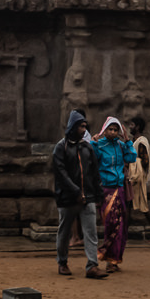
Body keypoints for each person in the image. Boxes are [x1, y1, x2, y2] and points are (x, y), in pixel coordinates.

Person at [51, 111, 104, 280]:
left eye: (84, 126)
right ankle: (62, 262)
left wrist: (98, 193)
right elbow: (61, 173)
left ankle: (92, 265)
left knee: (91, 231)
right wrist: (75, 191)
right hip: (68, 197)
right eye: (81, 126)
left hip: (87, 195)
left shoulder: (86, 147)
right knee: (65, 231)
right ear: (73, 127)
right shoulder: (61, 147)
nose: (84, 129)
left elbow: (94, 172)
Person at [90, 117, 134, 272]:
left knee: (121, 226)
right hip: (106, 190)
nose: (113, 132)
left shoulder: (121, 146)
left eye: (116, 130)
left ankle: (113, 261)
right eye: (110, 129)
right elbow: (92, 160)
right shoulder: (100, 145)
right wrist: (94, 144)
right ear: (104, 130)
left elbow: (132, 158)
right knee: (111, 224)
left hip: (119, 188)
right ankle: (106, 255)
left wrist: (128, 141)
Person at [126, 118, 150, 243]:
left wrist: (136, 175)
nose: (130, 127)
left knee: (143, 206)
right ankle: (123, 234)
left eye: (132, 125)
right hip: (133, 178)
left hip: (137, 179)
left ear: (138, 127)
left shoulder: (141, 142)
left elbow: (144, 161)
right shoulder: (134, 141)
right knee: (129, 206)